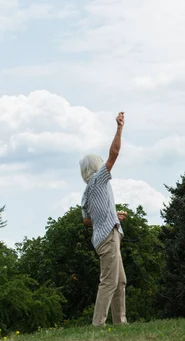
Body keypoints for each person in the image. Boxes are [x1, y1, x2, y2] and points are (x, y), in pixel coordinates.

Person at [79, 112, 129, 326]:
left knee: (120, 281)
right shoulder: (99, 180)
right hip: (108, 238)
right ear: (96, 166)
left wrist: (111, 216)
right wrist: (119, 128)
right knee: (109, 281)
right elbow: (115, 153)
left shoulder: (86, 192)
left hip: (106, 235)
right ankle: (98, 324)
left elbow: (87, 221)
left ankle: (120, 323)